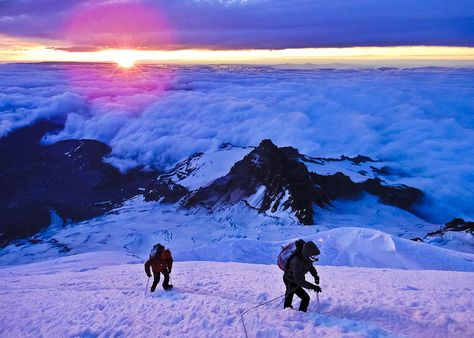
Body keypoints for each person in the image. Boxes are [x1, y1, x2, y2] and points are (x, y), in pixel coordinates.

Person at [283, 240, 321, 312]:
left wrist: (315, 275)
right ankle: (291, 314)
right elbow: (299, 280)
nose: (315, 257)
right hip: (290, 280)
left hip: (296, 280)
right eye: (313, 255)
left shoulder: (307, 258)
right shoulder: (296, 262)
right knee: (304, 297)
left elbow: (310, 267)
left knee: (291, 294)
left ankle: (292, 311)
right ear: (307, 253)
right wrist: (312, 286)